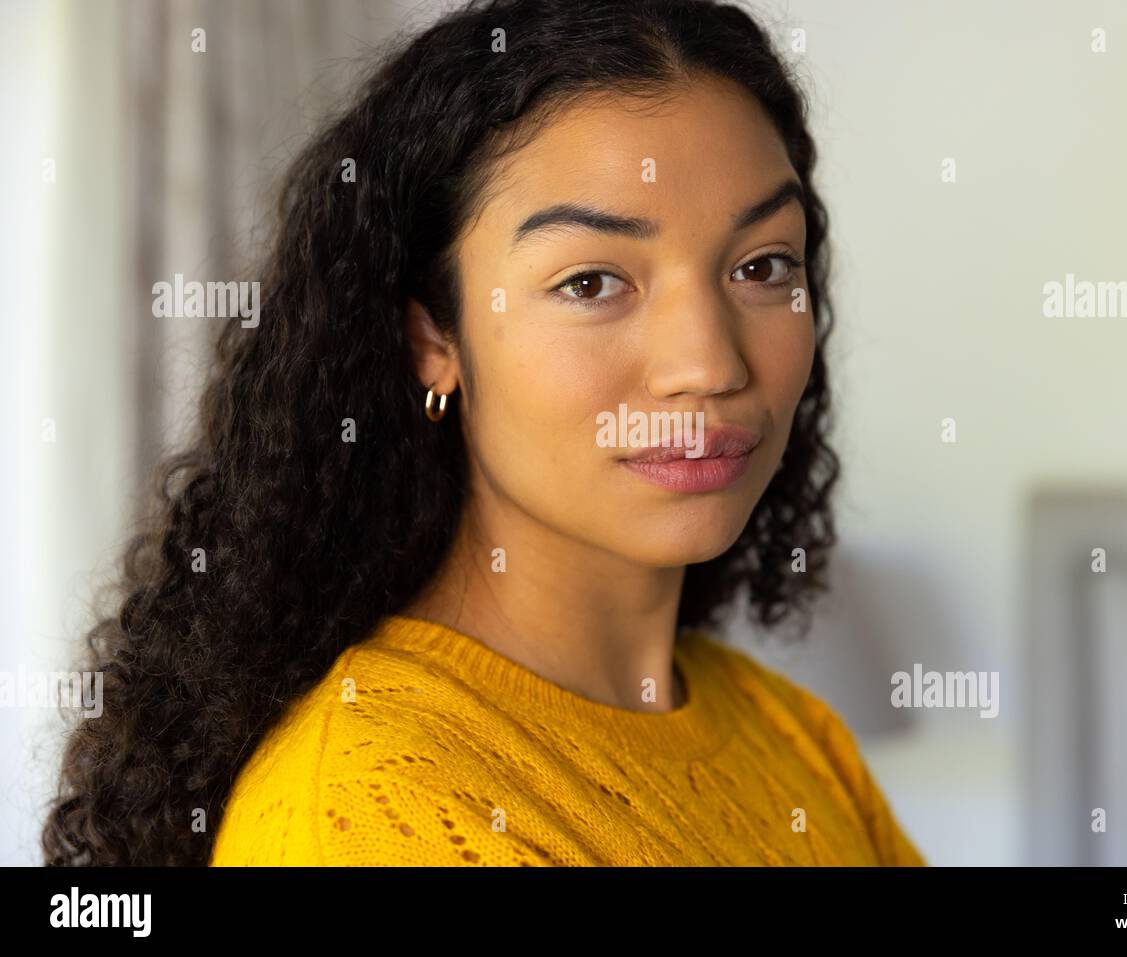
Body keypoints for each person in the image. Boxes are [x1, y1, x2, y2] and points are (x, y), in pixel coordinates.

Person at [42, 0, 925, 867]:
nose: (708, 363)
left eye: (762, 266)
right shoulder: (370, 818)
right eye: (590, 283)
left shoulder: (793, 735)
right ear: (435, 339)